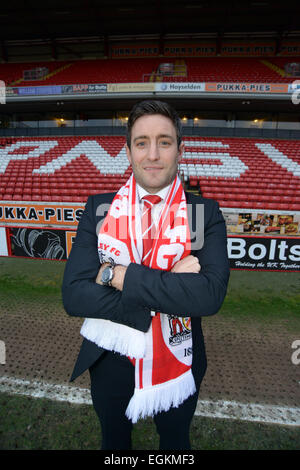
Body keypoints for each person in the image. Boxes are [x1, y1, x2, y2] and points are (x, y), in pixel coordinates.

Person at [62, 100, 230, 450]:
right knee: (115, 444)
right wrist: (168, 283)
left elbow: (208, 295)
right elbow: (74, 295)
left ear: (180, 150)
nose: (153, 154)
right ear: (128, 151)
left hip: (179, 356)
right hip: (110, 356)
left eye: (164, 142)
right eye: (142, 142)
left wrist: (113, 274)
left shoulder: (204, 213)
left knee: (174, 443)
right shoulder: (98, 209)